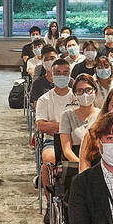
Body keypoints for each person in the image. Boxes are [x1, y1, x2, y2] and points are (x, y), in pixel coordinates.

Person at [35, 56, 75, 186]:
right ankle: (49, 203)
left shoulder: (77, 97)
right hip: (52, 141)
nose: (61, 76)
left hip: (76, 140)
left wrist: (56, 126)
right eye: (58, 73)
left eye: (65, 73)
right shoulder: (44, 99)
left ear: (70, 76)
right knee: (48, 161)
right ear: (51, 76)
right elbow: (42, 126)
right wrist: (67, 126)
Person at [57, 73, 101, 169]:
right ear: (75, 94)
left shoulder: (102, 115)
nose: (84, 94)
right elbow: (67, 150)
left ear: (95, 92)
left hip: (97, 162)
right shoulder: (67, 115)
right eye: (80, 91)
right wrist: (83, 166)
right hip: (74, 163)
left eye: (88, 90)